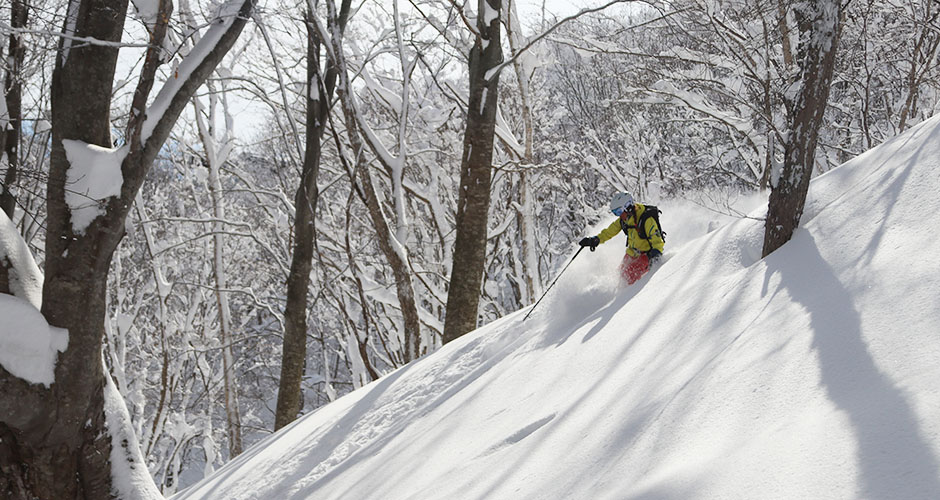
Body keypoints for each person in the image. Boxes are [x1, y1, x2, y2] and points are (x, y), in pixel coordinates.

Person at [578, 192, 665, 285]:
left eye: (619, 212)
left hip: (647, 255)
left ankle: (632, 293)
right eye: (615, 213)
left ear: (628, 207)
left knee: (628, 277)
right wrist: (595, 240)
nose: (619, 215)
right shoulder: (624, 220)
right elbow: (609, 232)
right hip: (632, 253)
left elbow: (657, 241)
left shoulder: (646, 219)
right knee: (621, 274)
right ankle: (621, 292)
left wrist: (655, 256)